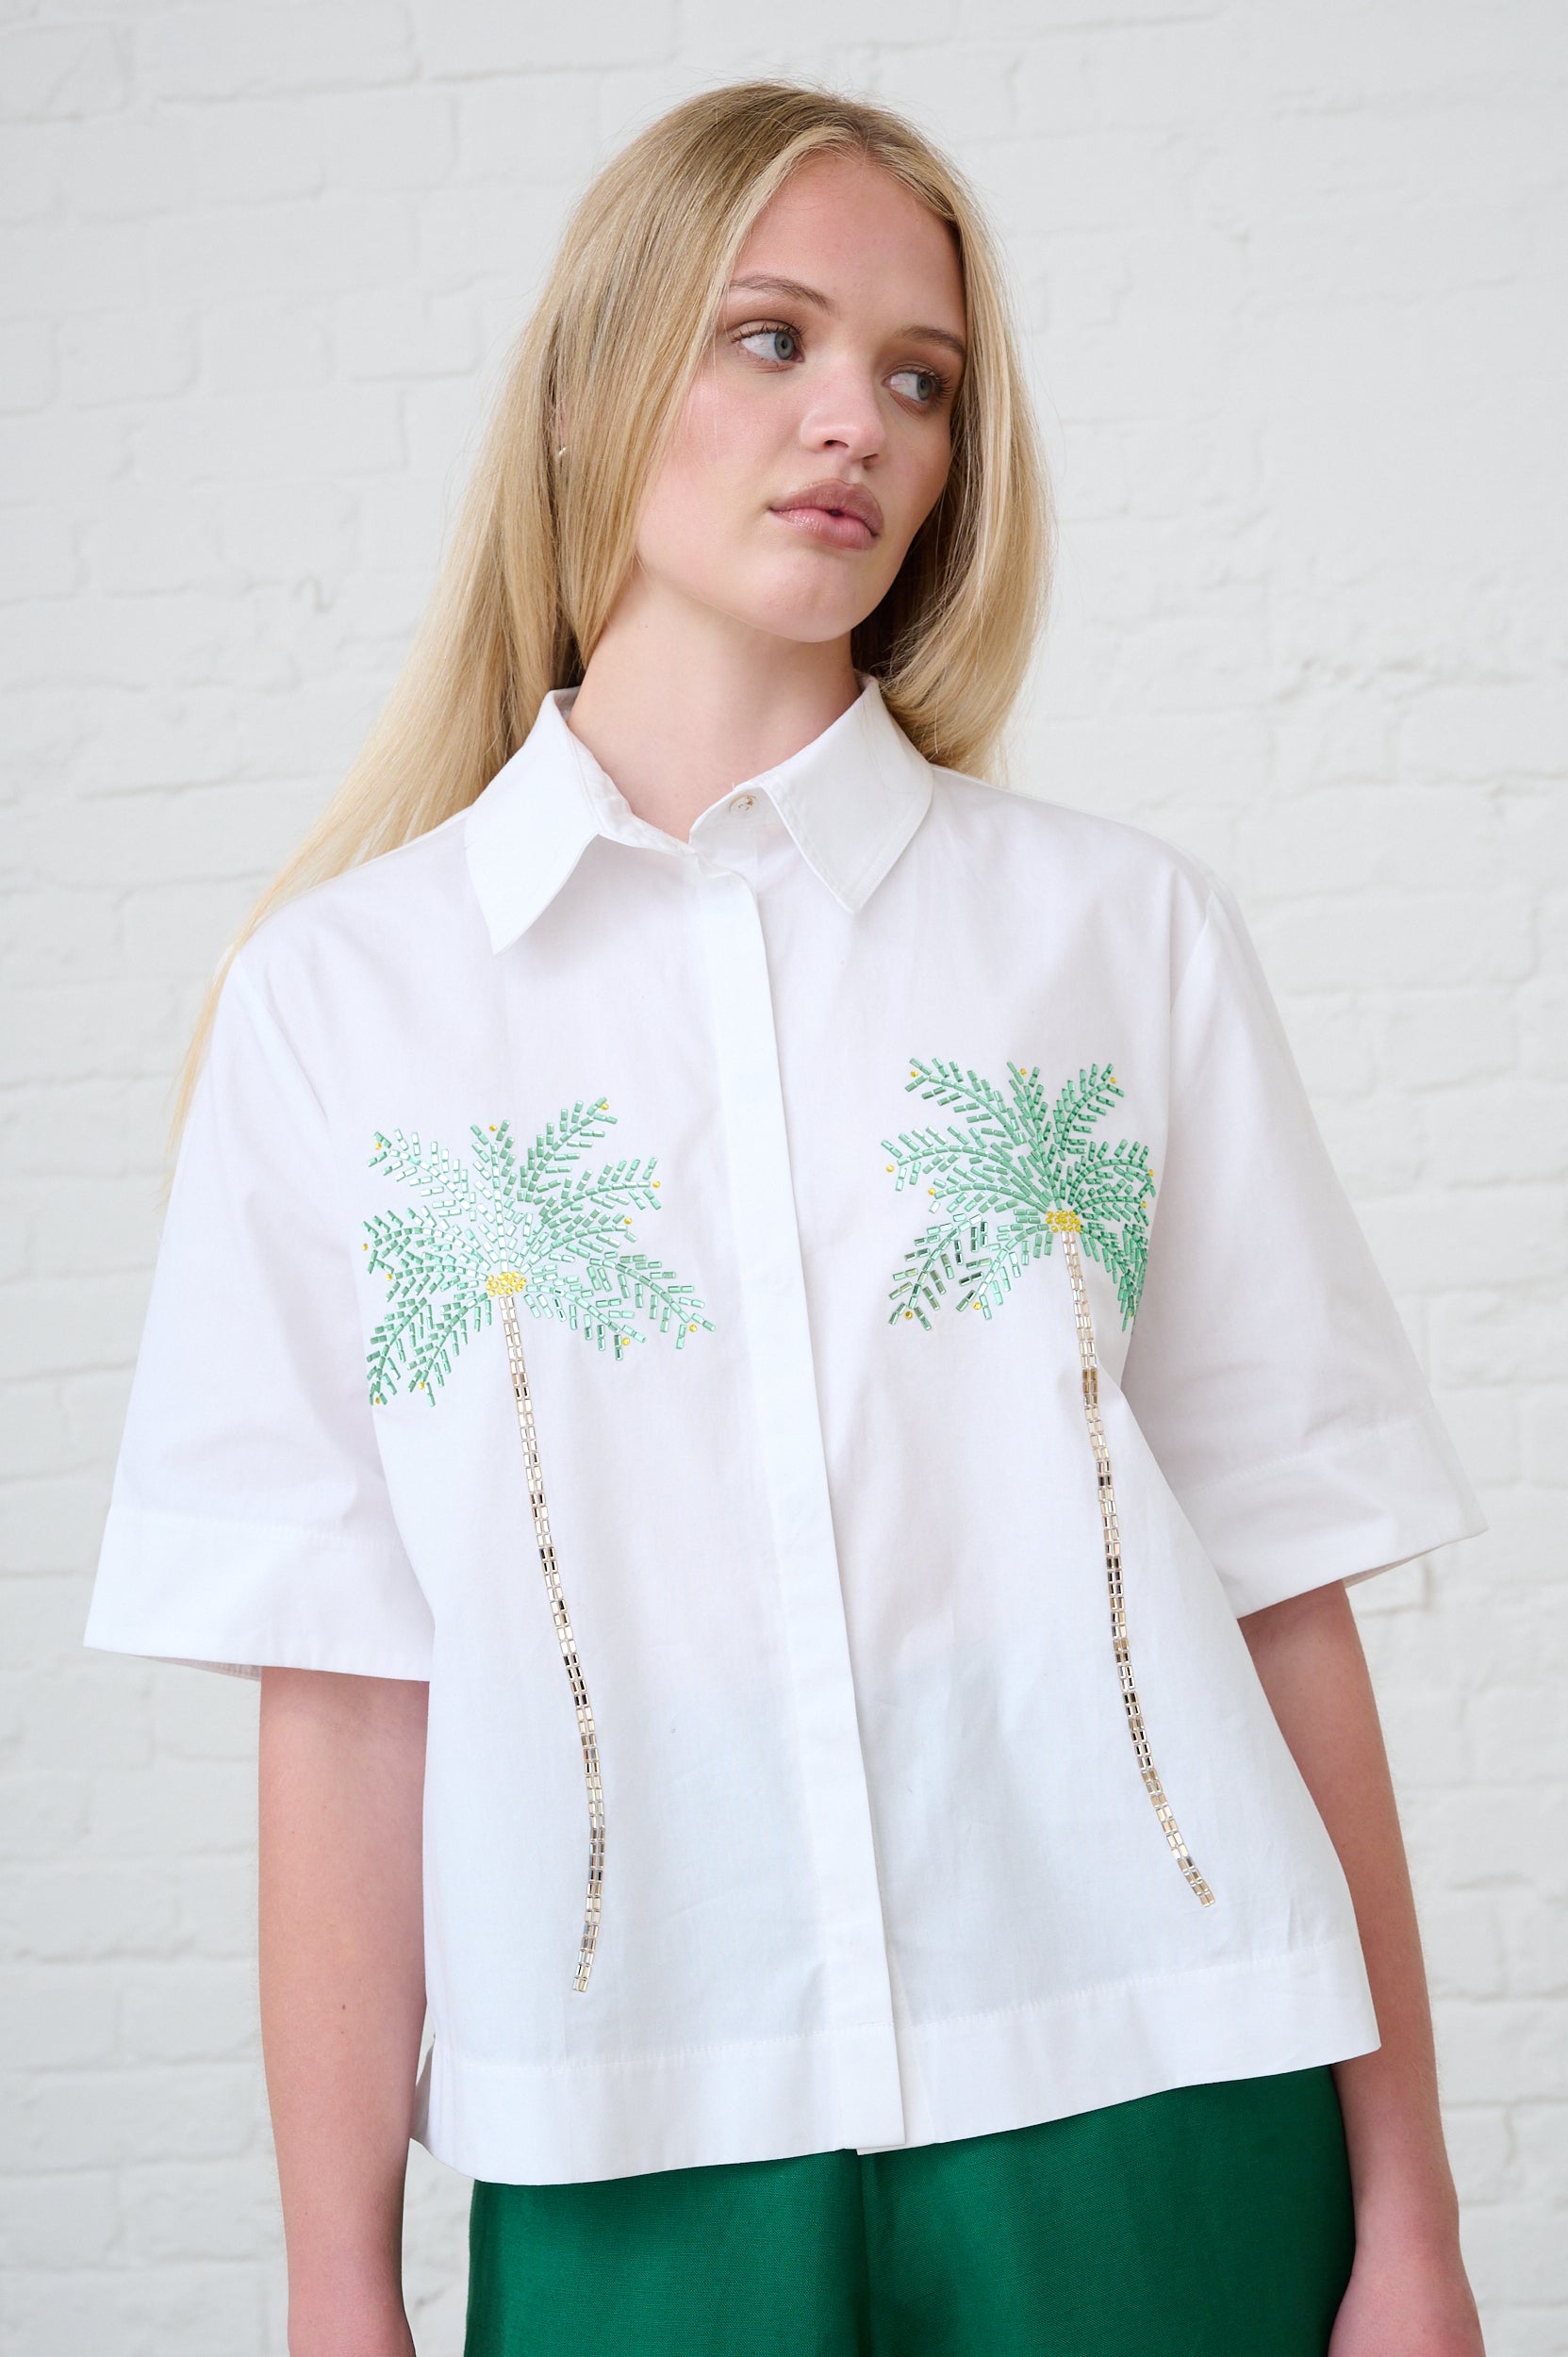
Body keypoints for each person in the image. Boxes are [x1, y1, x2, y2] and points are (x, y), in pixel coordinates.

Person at [82, 78, 1489, 2357]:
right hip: (629, 2146)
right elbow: (343, 1699)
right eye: (774, 337)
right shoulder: (340, 1003)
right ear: (591, 384)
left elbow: (1286, 1589)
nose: (856, 421)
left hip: (1156, 2090)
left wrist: (1410, 2222)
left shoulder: (1113, 935)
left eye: (919, 380)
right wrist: (337, 2288)